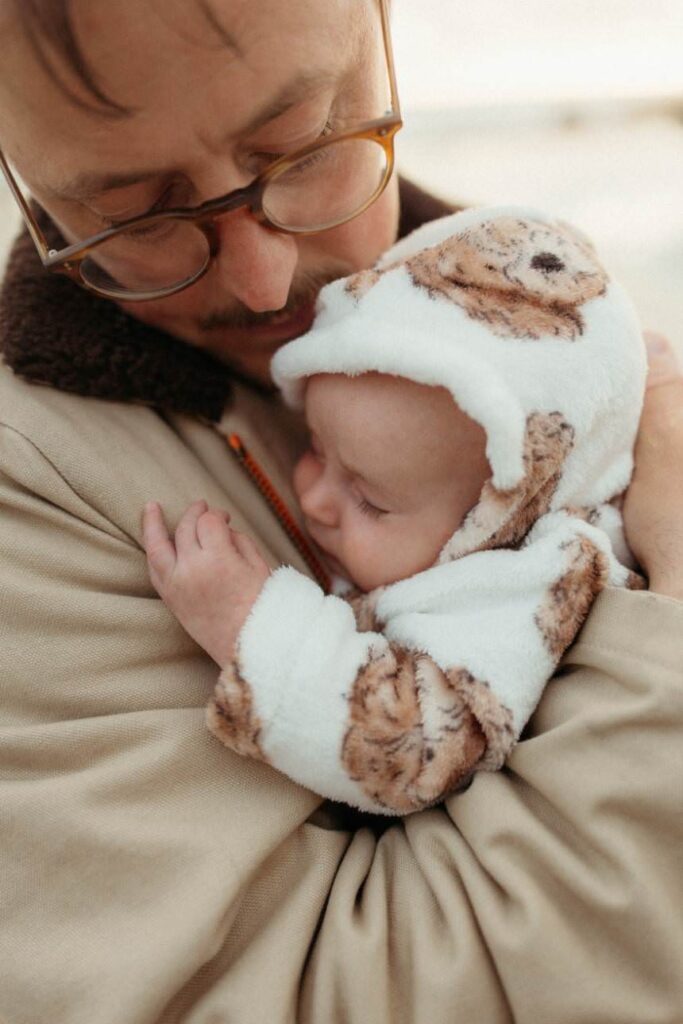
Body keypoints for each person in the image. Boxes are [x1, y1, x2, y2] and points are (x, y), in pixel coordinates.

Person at [0, 1, 681, 1022]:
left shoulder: (546, 351)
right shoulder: (34, 490)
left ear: (383, 23)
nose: (264, 281)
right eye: (136, 215)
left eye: (308, 147)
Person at [142, 207, 647, 816]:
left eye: (370, 501)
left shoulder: (527, 582)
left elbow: (414, 753)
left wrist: (252, 627)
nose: (315, 499)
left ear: (491, 527)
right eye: (316, 447)